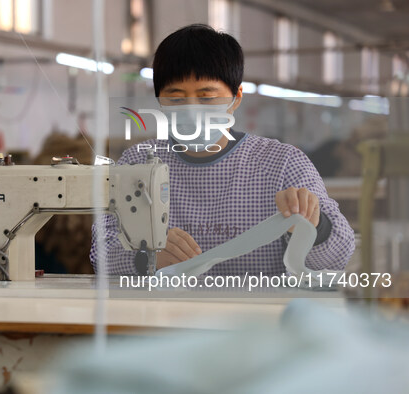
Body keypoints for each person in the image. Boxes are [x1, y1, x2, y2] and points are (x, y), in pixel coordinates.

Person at [90, 24, 355, 276]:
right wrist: (145, 259)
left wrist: (315, 226)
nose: (191, 110)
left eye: (207, 97)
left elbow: (339, 256)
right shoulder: (138, 163)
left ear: (236, 98)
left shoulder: (283, 164)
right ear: (159, 101)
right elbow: (100, 253)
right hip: (167, 316)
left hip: (260, 319)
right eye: (176, 98)